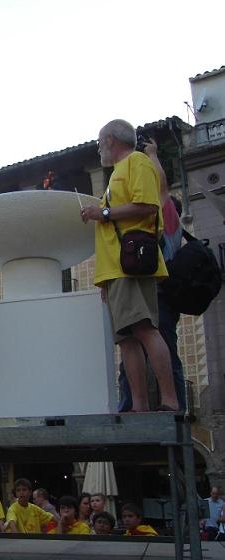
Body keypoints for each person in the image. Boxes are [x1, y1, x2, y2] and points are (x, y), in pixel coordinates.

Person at [81, 119, 178, 412]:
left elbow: (148, 206)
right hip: (116, 271)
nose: (98, 148)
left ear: (110, 140)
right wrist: (104, 279)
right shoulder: (115, 175)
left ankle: (170, 402)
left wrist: (103, 212)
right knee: (126, 340)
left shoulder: (137, 162)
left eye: (99, 142)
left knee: (145, 329)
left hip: (131, 265)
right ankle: (139, 406)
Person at [118, 139, 187, 412]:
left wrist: (152, 155)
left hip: (156, 292)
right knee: (156, 347)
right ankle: (172, 404)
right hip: (162, 294)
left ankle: (165, 405)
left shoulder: (166, 219)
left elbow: (162, 188)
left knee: (140, 345)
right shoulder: (174, 230)